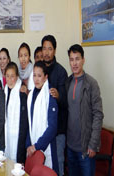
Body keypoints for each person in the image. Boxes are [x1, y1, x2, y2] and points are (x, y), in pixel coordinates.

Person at [65, 44, 103, 176]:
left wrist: (93, 144)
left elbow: (98, 115)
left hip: (86, 149)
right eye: (71, 59)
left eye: (77, 59)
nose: (74, 63)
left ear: (83, 60)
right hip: (70, 147)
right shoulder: (68, 82)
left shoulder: (91, 84)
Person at [26, 61, 59, 174]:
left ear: (46, 77)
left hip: (46, 147)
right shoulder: (31, 95)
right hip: (32, 148)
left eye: (39, 76)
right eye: (34, 75)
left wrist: (37, 146)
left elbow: (53, 128)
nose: (36, 79)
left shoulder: (50, 95)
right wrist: (28, 145)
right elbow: (29, 124)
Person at [42, 35, 68, 176]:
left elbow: (66, 102)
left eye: (50, 49)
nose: (46, 52)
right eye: (44, 48)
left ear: (55, 51)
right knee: (43, 169)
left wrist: (59, 96)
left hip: (58, 132)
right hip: (42, 130)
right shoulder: (39, 70)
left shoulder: (61, 72)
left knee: (57, 169)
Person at [4, 62, 28, 163]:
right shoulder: (4, 90)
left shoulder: (21, 93)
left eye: (12, 76)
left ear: (17, 76)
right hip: (7, 135)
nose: (9, 79)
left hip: (19, 138)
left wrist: (22, 141)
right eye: (7, 76)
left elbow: (24, 121)